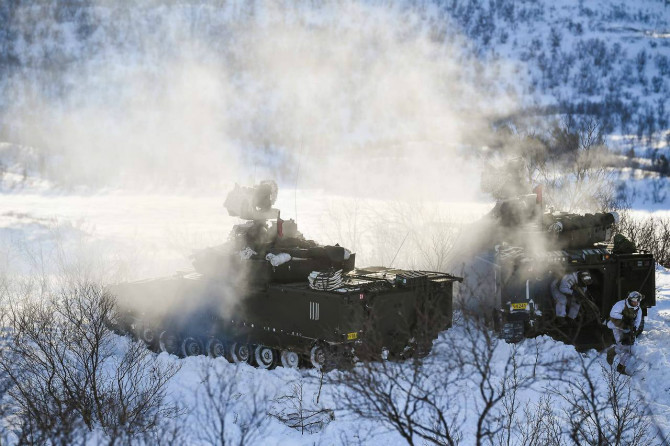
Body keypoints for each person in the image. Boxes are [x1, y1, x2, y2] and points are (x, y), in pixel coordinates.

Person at [607, 291, 643, 374]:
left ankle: (621, 367)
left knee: (630, 349)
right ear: (630, 299)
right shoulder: (620, 304)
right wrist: (623, 317)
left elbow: (638, 320)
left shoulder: (638, 309)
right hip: (617, 327)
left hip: (628, 329)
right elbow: (612, 314)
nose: (635, 303)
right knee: (621, 345)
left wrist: (634, 329)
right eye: (634, 300)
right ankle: (612, 351)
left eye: (637, 301)